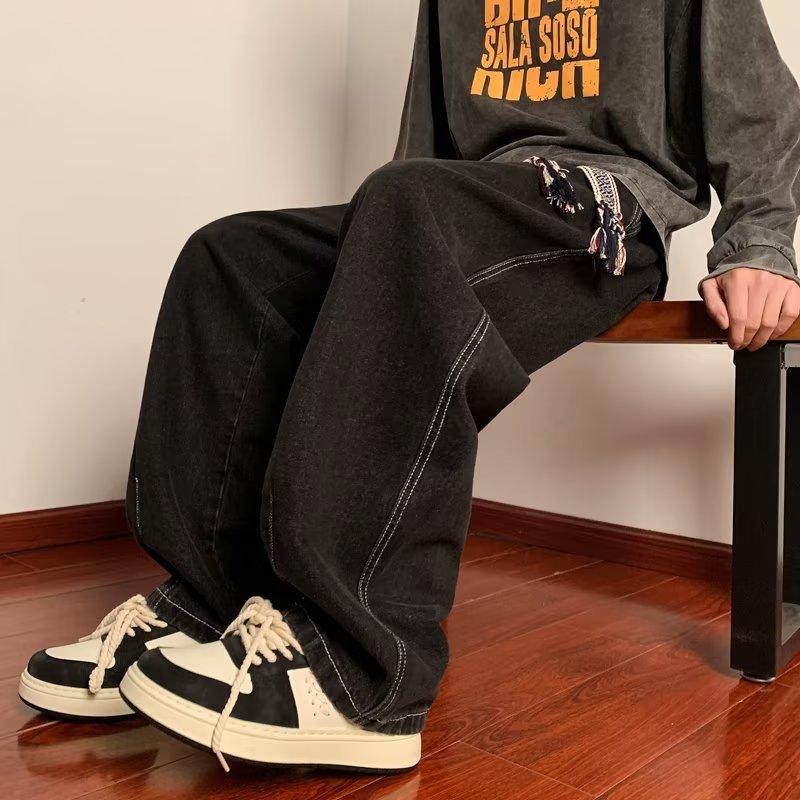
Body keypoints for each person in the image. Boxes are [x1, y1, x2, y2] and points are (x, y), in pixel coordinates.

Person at [19, 0, 800, 774]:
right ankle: (208, 601)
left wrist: (759, 245)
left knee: (409, 202)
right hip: (463, 201)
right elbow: (419, 153)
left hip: (601, 216)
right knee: (233, 258)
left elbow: (756, 97)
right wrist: (383, 229)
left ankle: (360, 673)